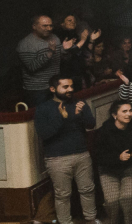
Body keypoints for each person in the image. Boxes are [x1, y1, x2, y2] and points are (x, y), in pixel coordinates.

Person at [35, 75, 97, 224]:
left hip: (82, 154)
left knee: (88, 190)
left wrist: (80, 115)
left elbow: (91, 125)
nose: (70, 89)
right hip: (57, 158)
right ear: (53, 89)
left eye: (71, 86)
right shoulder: (43, 108)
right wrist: (62, 118)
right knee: (63, 195)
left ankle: (91, 220)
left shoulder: (79, 103)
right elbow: (45, 134)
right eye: (65, 87)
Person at [94, 101, 132, 224]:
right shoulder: (104, 131)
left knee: (127, 198)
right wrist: (118, 158)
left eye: (130, 110)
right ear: (114, 115)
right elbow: (98, 156)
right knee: (112, 201)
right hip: (108, 170)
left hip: (130, 168)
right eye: (124, 111)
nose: (129, 114)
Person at [18, 14, 63, 106]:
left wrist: (66, 50)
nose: (49, 28)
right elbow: (32, 67)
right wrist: (49, 53)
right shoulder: (26, 44)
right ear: (34, 26)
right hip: (37, 89)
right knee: (41, 117)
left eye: (50, 26)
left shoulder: (55, 38)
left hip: (55, 85)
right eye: (45, 26)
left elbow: (61, 60)